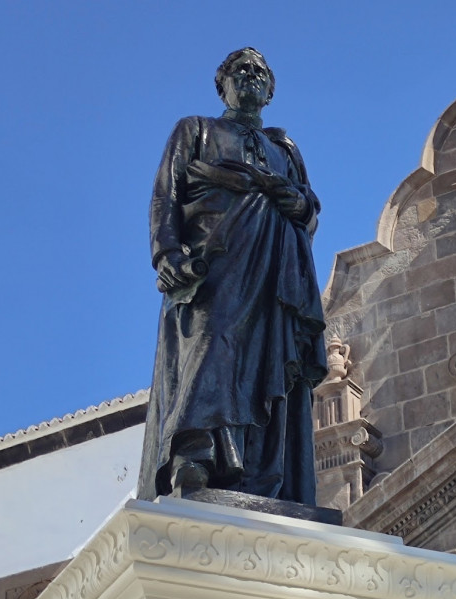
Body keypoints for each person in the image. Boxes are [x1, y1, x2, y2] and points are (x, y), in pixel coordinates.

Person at [138, 47, 327, 505]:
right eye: (240, 70)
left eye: (260, 72)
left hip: (275, 274)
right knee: (211, 346)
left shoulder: (285, 149)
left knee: (268, 363)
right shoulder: (196, 130)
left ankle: (266, 474)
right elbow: (167, 195)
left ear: (270, 90)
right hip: (214, 263)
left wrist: (291, 199)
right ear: (221, 83)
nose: (250, 76)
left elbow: (309, 212)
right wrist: (166, 251)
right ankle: (193, 456)